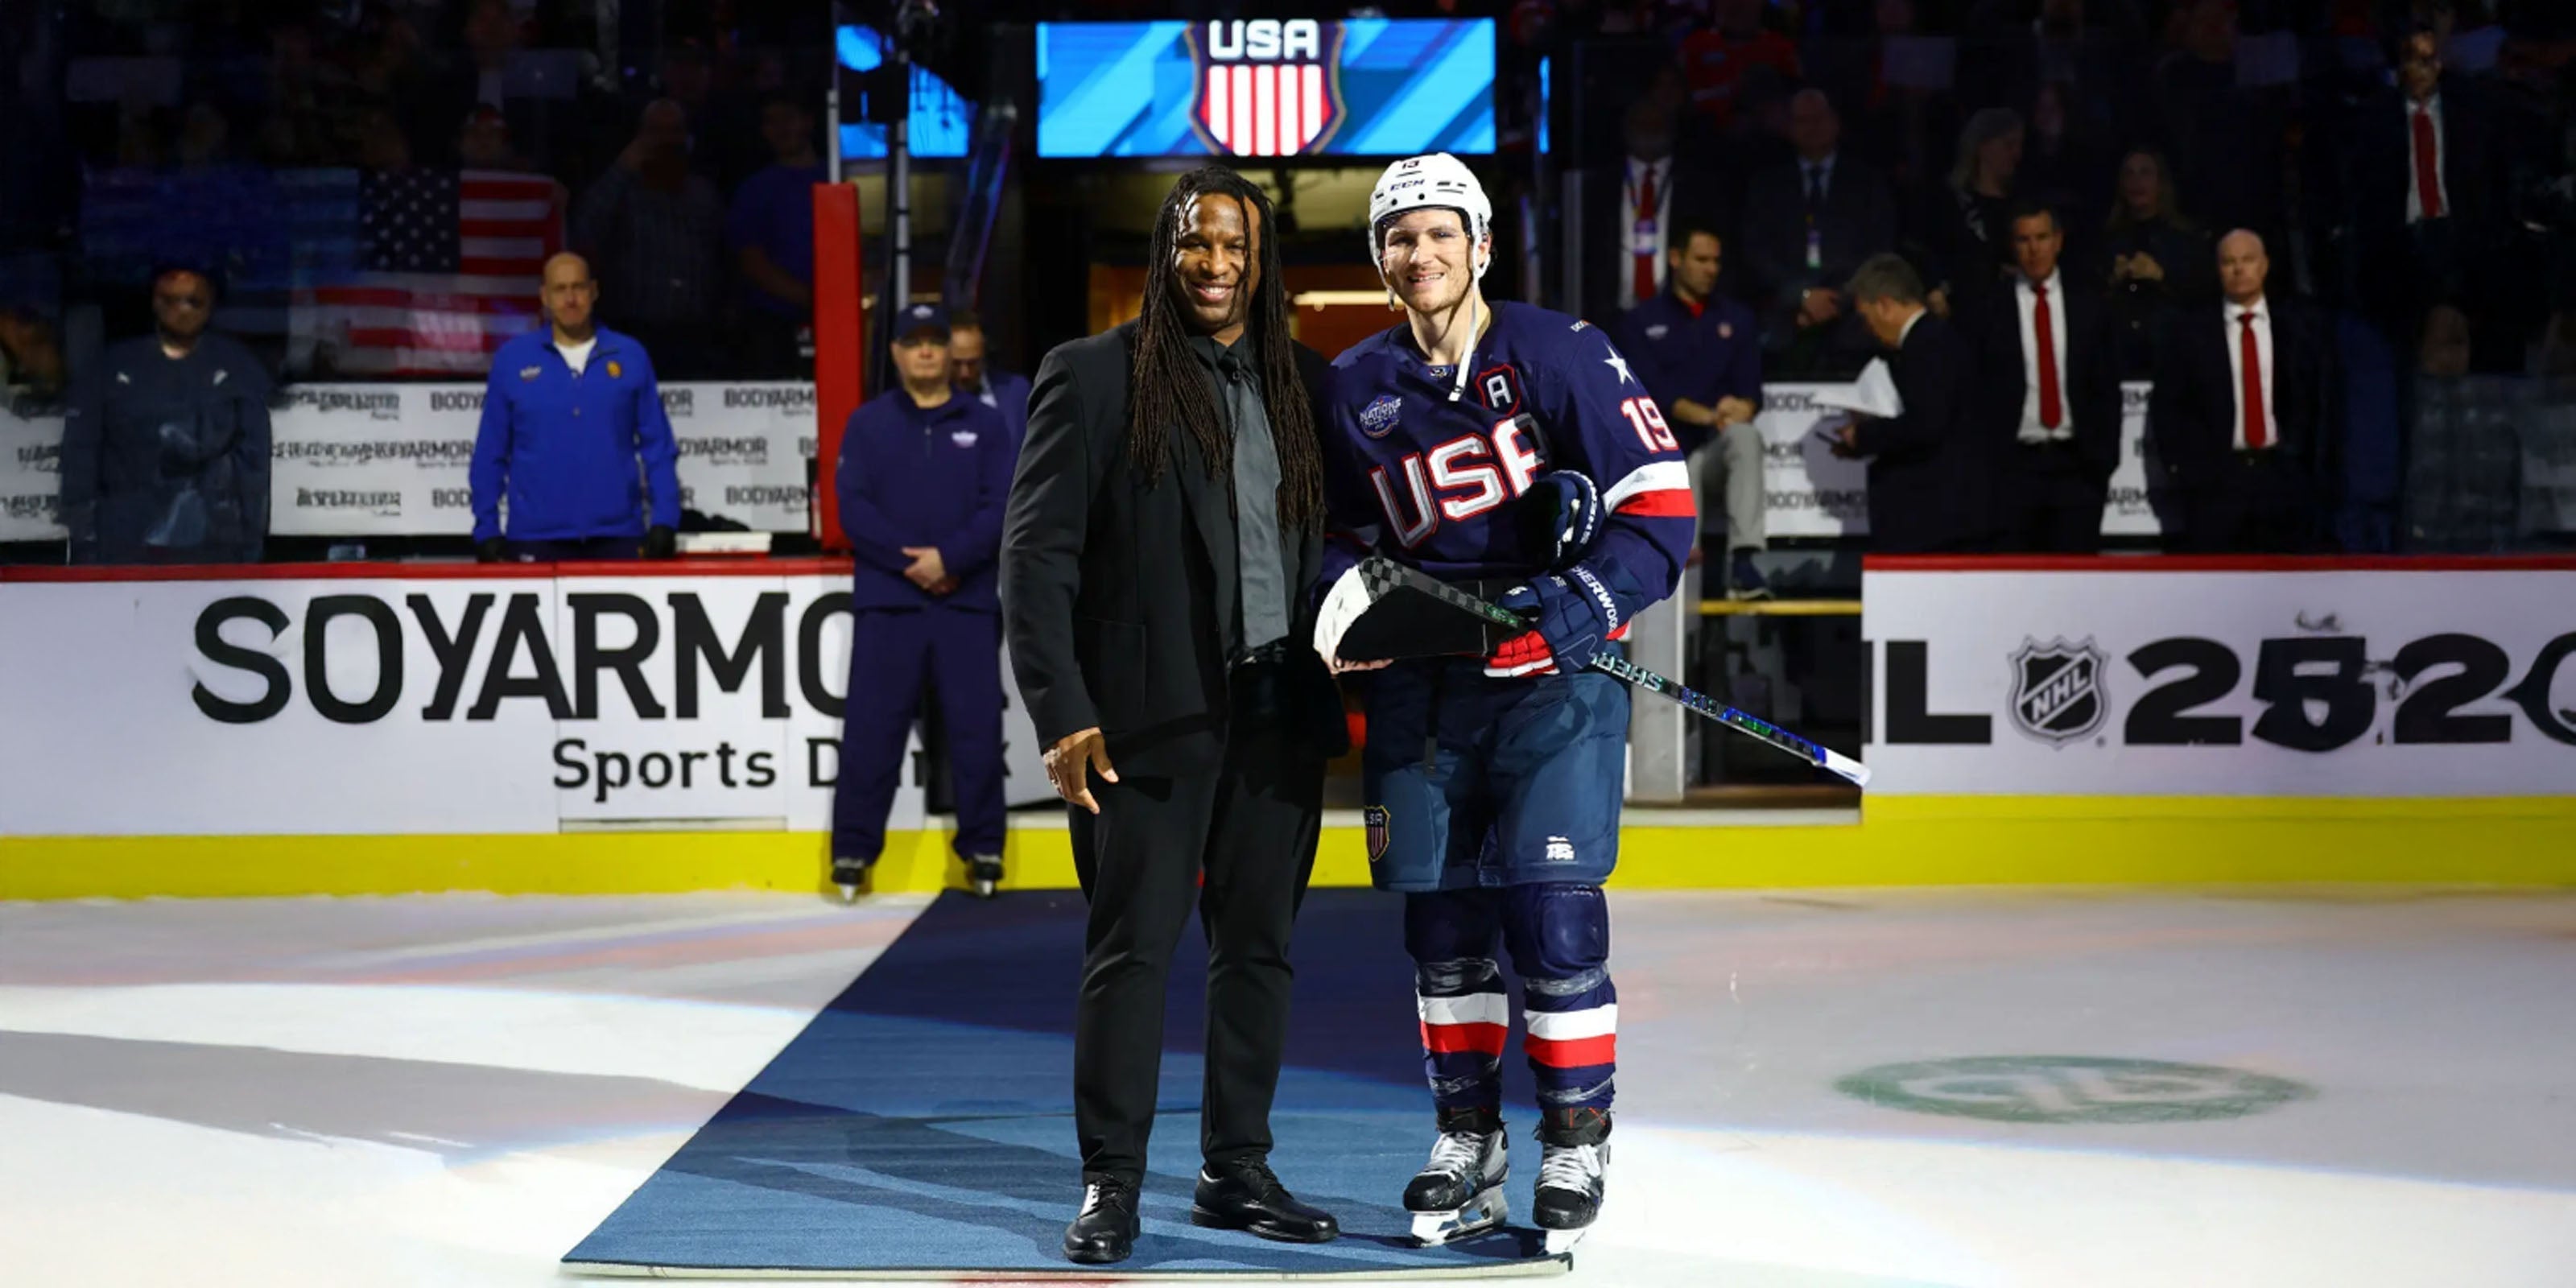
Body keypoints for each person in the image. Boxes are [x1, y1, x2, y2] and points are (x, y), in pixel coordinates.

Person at [1314, 153, 1695, 1254]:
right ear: (1380, 262)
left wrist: (1583, 604)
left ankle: (1577, 1138)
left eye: (1440, 233)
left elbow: (1660, 512)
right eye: (1399, 238)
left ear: (1481, 245)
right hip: (1426, 686)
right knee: (1441, 926)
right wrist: (1341, 603)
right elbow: (1335, 536)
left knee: (1553, 918)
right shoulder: (1354, 389)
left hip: (1552, 685)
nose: (1419, 254)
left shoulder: (1560, 352)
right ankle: (1466, 1137)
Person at [1001, 165, 1348, 1266]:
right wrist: (1063, 711)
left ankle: (1234, 1169)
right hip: (1147, 725)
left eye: (1235, 247)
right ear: (1166, 252)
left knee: (1259, 953)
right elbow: (1036, 557)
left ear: (1262, 260)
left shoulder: (1304, 381)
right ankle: (1112, 1183)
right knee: (1132, 956)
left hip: (1278, 718)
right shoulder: (1094, 377)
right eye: (1196, 243)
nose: (1215, 264)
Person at [831, 303, 1012, 899]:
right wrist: (915, 565)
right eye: (915, 342)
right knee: (871, 734)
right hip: (891, 603)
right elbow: (852, 508)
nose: (927, 352)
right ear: (897, 354)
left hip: (965, 603)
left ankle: (984, 849)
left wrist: (949, 560)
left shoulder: (985, 425)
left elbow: (1002, 505)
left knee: (976, 732)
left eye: (936, 341)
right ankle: (853, 854)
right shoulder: (867, 424)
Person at [469, 253, 681, 562]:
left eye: (578, 288)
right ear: (544, 296)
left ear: (594, 291)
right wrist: (486, 529)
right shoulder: (512, 360)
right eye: (560, 289)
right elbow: (490, 453)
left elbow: (658, 447)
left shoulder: (630, 355)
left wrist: (665, 520)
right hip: (534, 539)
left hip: (618, 537)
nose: (570, 299)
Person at [58, 266, 271, 565]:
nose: (181, 310)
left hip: (214, 545)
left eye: (192, 301)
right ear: (154, 303)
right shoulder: (111, 367)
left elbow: (254, 462)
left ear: (210, 305)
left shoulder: (238, 367)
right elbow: (80, 453)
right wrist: (84, 541)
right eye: (169, 300)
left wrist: (251, 544)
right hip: (123, 544)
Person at [2148, 229, 2339, 553]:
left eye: (2248, 260)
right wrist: (2187, 474)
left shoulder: (2298, 329)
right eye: (2229, 262)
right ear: (2217, 269)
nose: (2239, 270)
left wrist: (2308, 471)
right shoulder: (2190, 333)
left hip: (2282, 480)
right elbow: (2168, 408)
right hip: (2215, 485)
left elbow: (2320, 403)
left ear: (2264, 266)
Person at [1615, 222, 1769, 596]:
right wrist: (1710, 414)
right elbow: (1653, 395)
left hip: (1718, 447)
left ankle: (1745, 561)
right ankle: (1679, 571)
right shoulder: (1642, 321)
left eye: (1716, 261)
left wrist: (1740, 408)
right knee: (1684, 464)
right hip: (1665, 454)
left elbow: (1751, 393)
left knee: (1746, 436)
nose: (1711, 269)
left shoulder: (1737, 319)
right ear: (1676, 259)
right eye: (1701, 259)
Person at [1967, 200, 2121, 552]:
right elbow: (1976, 396)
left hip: (2077, 468)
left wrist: (2101, 463)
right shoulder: (1989, 309)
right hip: (2012, 471)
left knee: (2075, 589)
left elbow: (2106, 388)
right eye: (2024, 240)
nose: (2034, 249)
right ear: (2012, 245)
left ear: (2058, 240)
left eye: (2041, 237)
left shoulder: (2089, 305)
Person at [1827, 254, 1988, 552]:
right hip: (1935, 515)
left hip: (1935, 520)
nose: (1867, 328)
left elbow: (1926, 424)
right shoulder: (1930, 340)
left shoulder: (1928, 344)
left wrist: (1863, 435)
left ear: (1885, 305)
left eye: (1866, 317)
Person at [1738, 89, 1899, 376]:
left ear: (1836, 122)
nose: (1812, 127)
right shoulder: (1767, 184)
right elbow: (1755, 252)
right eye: (1802, 120)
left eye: (1819, 118)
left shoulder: (1867, 182)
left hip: (1853, 319)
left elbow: (1880, 249)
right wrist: (1801, 295)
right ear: (1788, 127)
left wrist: (1837, 298)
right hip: (1785, 320)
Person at [726, 93, 826, 378]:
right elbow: (751, 261)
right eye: (772, 121)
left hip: (840, 317)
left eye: (788, 118)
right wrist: (812, 298)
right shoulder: (754, 190)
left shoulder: (837, 177)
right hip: (773, 327)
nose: (781, 128)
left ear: (808, 122)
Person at [2096, 150, 2215, 379]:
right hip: (2119, 353)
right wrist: (2111, 281)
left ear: (2161, 182)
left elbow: (2203, 296)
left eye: (2145, 173)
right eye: (2129, 174)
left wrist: (2161, 276)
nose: (2136, 181)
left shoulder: (2186, 239)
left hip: (2174, 353)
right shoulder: (2107, 239)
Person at [947, 308, 1031, 449]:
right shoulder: (927, 400)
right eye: (956, 363)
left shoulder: (1016, 393)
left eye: (973, 363)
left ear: (984, 356)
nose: (965, 373)